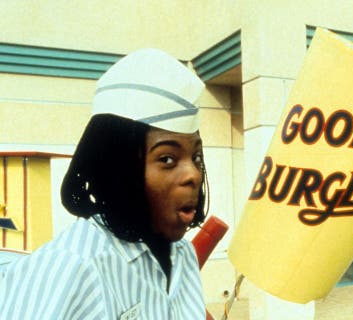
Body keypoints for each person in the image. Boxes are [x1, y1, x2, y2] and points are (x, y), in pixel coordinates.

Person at [0, 48, 209, 319]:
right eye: (167, 159)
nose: (193, 174)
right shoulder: (71, 264)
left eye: (196, 157)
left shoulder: (183, 256)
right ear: (119, 168)